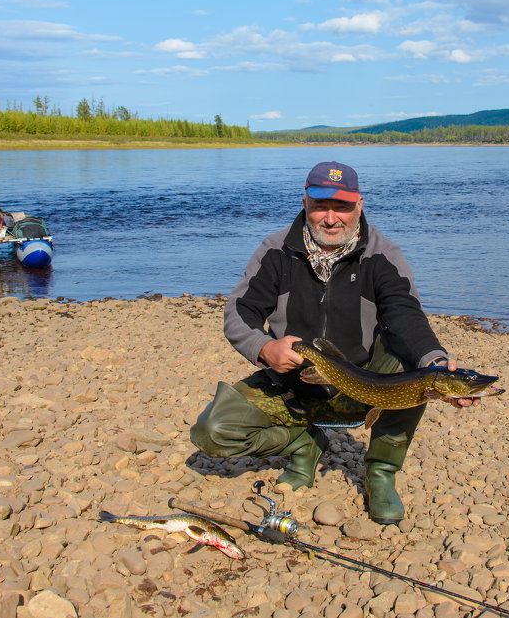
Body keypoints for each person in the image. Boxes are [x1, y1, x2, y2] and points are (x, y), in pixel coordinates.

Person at [190, 161, 478, 525]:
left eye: (341, 207)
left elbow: (405, 314)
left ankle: (381, 472)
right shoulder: (275, 251)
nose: (331, 218)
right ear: (305, 202)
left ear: (359, 205)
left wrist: (436, 361)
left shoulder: (383, 254)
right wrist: (264, 349)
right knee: (212, 432)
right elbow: (240, 312)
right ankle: (303, 443)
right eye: (321, 206)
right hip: (292, 384)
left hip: (364, 383)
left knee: (412, 364)